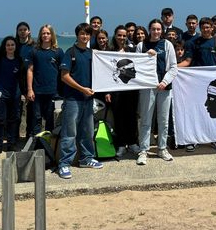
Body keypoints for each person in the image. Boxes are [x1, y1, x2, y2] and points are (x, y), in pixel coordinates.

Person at [57, 23, 103, 179]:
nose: (85, 37)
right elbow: (64, 76)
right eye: (82, 34)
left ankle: (86, 158)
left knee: (87, 132)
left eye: (88, 34)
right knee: (70, 133)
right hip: (72, 100)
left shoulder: (93, 53)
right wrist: (82, 89)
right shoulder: (70, 53)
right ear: (77, 35)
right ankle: (64, 164)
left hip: (88, 100)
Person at [178, 17, 216, 152]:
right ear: (200, 28)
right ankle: (193, 140)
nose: (206, 29)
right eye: (203, 27)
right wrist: (173, 67)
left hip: (214, 84)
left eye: (208, 27)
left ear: (212, 28)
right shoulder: (193, 43)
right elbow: (187, 62)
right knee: (196, 111)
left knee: (215, 111)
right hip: (196, 83)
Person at [136, 19, 178, 165]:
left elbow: (173, 67)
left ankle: (161, 148)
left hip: (164, 88)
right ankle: (143, 150)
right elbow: (137, 67)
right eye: (153, 29)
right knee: (146, 120)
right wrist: (145, 57)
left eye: (158, 29)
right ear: (149, 30)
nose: (156, 32)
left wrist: (164, 82)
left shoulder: (167, 44)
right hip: (147, 88)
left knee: (163, 120)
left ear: (162, 30)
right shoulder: (141, 46)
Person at [106, 25, 140, 157]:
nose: (122, 38)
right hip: (115, 91)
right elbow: (105, 73)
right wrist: (107, 92)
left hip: (131, 90)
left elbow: (141, 64)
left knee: (131, 116)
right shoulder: (109, 51)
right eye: (119, 35)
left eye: (124, 35)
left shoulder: (132, 49)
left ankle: (132, 143)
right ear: (115, 36)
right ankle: (121, 144)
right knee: (118, 118)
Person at [26, 24, 64, 134]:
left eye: (48, 33)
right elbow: (30, 70)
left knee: (50, 120)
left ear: (52, 35)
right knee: (36, 119)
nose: (45, 35)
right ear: (40, 35)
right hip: (37, 91)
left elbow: (63, 72)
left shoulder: (58, 52)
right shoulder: (34, 51)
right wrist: (29, 89)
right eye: (43, 33)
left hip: (53, 91)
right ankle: (37, 143)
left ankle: (48, 144)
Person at [15, 21, 35, 137]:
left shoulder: (34, 46)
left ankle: (29, 136)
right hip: (16, 82)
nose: (22, 32)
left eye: (24, 29)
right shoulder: (14, 45)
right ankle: (14, 137)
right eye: (20, 30)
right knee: (16, 113)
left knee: (31, 112)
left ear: (29, 31)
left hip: (31, 82)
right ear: (17, 32)